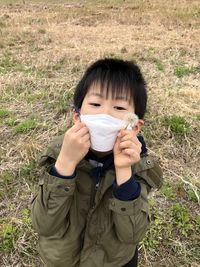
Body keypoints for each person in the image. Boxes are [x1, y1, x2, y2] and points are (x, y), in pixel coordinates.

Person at [31, 58, 163, 267]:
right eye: (95, 104)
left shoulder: (139, 165)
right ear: (77, 116)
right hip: (63, 260)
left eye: (119, 107)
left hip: (115, 261)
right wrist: (65, 163)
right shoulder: (58, 153)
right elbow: (43, 224)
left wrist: (124, 171)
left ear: (135, 126)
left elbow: (133, 234)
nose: (105, 114)